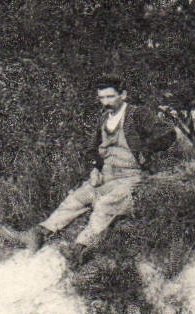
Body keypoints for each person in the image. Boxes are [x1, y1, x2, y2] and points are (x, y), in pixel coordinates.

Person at [26, 76, 176, 257]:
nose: (106, 102)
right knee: (77, 197)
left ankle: (81, 248)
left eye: (110, 97)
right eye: (102, 98)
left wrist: (146, 150)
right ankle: (39, 233)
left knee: (105, 205)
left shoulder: (137, 114)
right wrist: (95, 168)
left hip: (132, 177)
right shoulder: (104, 118)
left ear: (123, 95)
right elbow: (92, 148)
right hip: (107, 175)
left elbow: (168, 133)